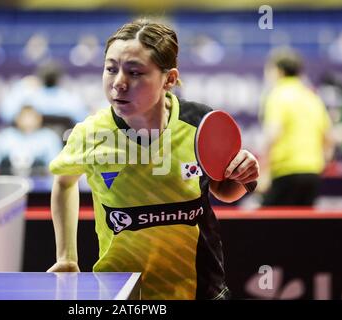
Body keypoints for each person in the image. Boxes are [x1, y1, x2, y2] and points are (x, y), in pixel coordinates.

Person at [47, 19, 259, 300]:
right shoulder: (90, 133)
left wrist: (244, 175)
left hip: (200, 288)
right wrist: (67, 256)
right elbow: (64, 182)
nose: (119, 83)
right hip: (122, 292)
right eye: (111, 69)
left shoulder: (199, 124)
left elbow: (225, 190)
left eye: (134, 72)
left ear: (169, 79)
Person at [260, 48, 334, 207]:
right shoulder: (312, 97)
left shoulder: (277, 95)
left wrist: (264, 171)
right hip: (312, 173)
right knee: (301, 229)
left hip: (286, 173)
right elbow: (328, 138)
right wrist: (321, 163)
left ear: (277, 71)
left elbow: (272, 134)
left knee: (268, 227)